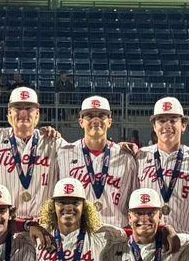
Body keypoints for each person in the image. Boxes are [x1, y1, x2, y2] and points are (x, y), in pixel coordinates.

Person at [0, 87, 58, 222]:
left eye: (28, 108)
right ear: (9, 113)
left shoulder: (53, 141)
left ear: (37, 114)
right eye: (18, 108)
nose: (23, 113)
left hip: (44, 226)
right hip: (7, 226)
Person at [54, 95, 138, 228]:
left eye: (101, 115)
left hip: (117, 232)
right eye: (89, 115)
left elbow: (134, 202)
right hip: (77, 232)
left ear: (109, 122)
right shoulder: (63, 154)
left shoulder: (126, 158)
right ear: (81, 122)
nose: (96, 120)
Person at [136, 97, 189, 233]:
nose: (167, 125)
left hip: (186, 239)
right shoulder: (139, 156)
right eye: (161, 121)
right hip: (150, 240)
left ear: (183, 125)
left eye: (173, 120)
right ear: (154, 126)